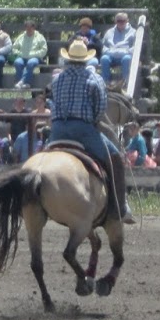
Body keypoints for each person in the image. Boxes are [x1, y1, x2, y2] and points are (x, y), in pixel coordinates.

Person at [47, 39, 135, 223]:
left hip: (57, 130)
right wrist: (93, 122)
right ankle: (120, 207)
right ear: (86, 60)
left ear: (68, 59)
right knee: (115, 158)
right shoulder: (95, 79)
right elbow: (100, 109)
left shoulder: (57, 80)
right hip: (84, 130)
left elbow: (54, 103)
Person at [99, 12, 137, 86]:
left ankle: (125, 82)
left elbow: (134, 48)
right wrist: (110, 52)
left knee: (127, 59)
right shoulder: (109, 32)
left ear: (127, 21)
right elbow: (104, 47)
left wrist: (123, 52)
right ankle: (105, 83)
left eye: (123, 21)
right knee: (104, 58)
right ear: (115, 21)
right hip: (111, 55)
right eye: (118, 21)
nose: (121, 23)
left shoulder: (133, 32)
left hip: (125, 55)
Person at [12, 20, 48, 89]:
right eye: (27, 27)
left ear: (34, 28)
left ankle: (22, 82)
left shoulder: (40, 37)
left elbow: (44, 50)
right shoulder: (21, 37)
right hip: (22, 56)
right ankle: (24, 84)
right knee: (17, 62)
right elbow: (14, 48)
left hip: (35, 57)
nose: (28, 29)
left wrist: (33, 54)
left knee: (31, 63)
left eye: (30, 27)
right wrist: (20, 54)